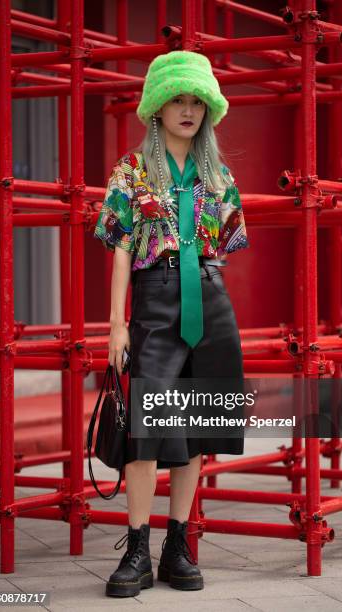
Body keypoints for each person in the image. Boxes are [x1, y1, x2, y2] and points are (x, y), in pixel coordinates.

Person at [93, 50, 250, 598]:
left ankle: (177, 545)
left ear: (207, 111)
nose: (188, 111)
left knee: (198, 427)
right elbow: (118, 249)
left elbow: (227, 247)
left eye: (196, 102)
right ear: (156, 109)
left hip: (209, 301)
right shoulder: (131, 171)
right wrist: (117, 326)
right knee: (144, 431)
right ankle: (135, 548)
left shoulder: (219, 175)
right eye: (177, 101)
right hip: (154, 300)